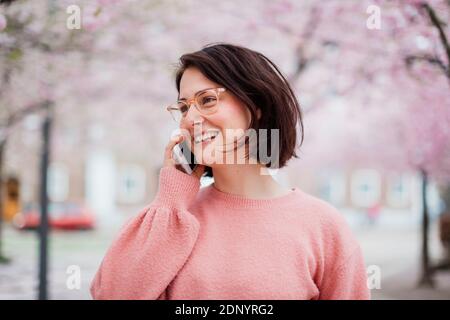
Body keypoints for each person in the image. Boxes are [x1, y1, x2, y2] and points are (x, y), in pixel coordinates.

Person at [90, 43, 370, 300]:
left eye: (207, 100)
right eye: (184, 107)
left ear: (256, 106)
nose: (190, 118)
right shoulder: (172, 219)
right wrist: (171, 199)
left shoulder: (323, 226)